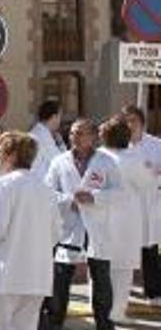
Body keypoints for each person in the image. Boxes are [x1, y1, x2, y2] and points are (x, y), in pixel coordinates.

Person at [0, 132, 60, 330]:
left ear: (13, 155)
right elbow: (55, 234)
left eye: (0, 151)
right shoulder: (45, 189)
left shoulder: (2, 186)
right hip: (36, 278)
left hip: (5, 277)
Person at [44, 118, 117, 330]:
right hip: (67, 229)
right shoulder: (59, 162)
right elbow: (47, 192)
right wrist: (69, 201)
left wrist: (94, 197)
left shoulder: (106, 162)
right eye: (72, 133)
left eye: (80, 133)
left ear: (93, 137)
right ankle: (54, 324)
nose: (74, 137)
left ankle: (104, 325)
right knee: (59, 281)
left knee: (101, 281)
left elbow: (121, 193)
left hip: (97, 229)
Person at [98, 116, 153, 324]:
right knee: (122, 271)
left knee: (101, 269)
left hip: (101, 221)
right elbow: (147, 183)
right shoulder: (133, 159)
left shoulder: (98, 157)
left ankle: (102, 313)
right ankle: (117, 313)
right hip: (127, 222)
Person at [122, 104, 161, 305]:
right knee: (125, 250)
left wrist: (154, 171)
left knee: (149, 249)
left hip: (149, 205)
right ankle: (124, 290)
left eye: (133, 121)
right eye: (126, 121)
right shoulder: (119, 145)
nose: (130, 125)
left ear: (142, 123)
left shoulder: (155, 145)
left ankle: (153, 292)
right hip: (126, 207)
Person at [30, 101, 66, 181]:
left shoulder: (38, 132)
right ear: (54, 117)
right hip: (39, 183)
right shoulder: (42, 136)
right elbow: (61, 161)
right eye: (60, 117)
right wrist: (61, 144)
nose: (60, 121)